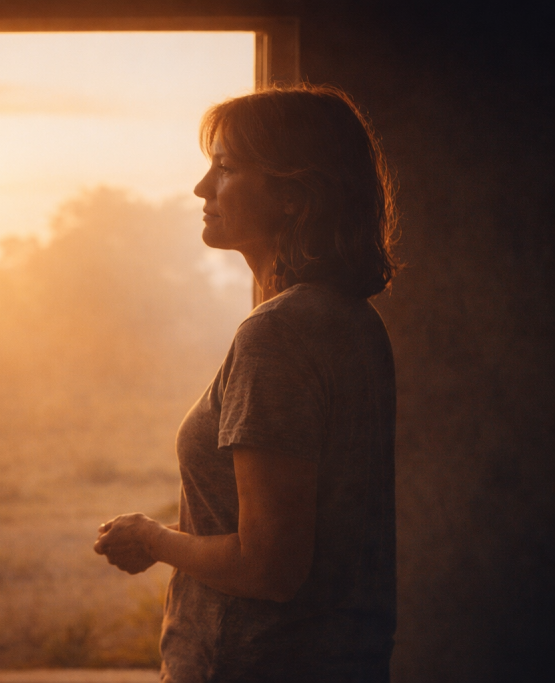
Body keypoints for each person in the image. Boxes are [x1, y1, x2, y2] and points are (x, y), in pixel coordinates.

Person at [93, 84, 399, 682]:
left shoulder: (280, 333)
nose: (202, 188)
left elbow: (269, 568)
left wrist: (152, 538)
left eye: (226, 168)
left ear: (294, 193)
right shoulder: (352, 320)